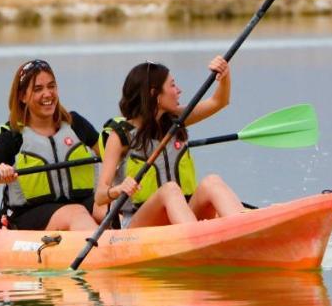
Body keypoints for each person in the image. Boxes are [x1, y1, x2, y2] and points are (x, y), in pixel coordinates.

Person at [94, 58, 244, 227]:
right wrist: (118, 188)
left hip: (181, 216)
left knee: (212, 181)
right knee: (170, 190)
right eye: (172, 85)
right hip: (140, 225)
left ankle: (246, 227)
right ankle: (194, 239)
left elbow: (219, 102)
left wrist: (224, 76)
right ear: (154, 94)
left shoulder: (175, 121)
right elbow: (100, 196)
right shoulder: (120, 135)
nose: (179, 90)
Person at [0, 59, 101, 231]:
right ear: (23, 96)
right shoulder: (13, 137)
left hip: (82, 204)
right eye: (38, 89)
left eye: (51, 86)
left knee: (110, 207)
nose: (48, 94)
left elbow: (113, 156)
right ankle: (106, 252)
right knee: (76, 212)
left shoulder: (75, 124)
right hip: (32, 214)